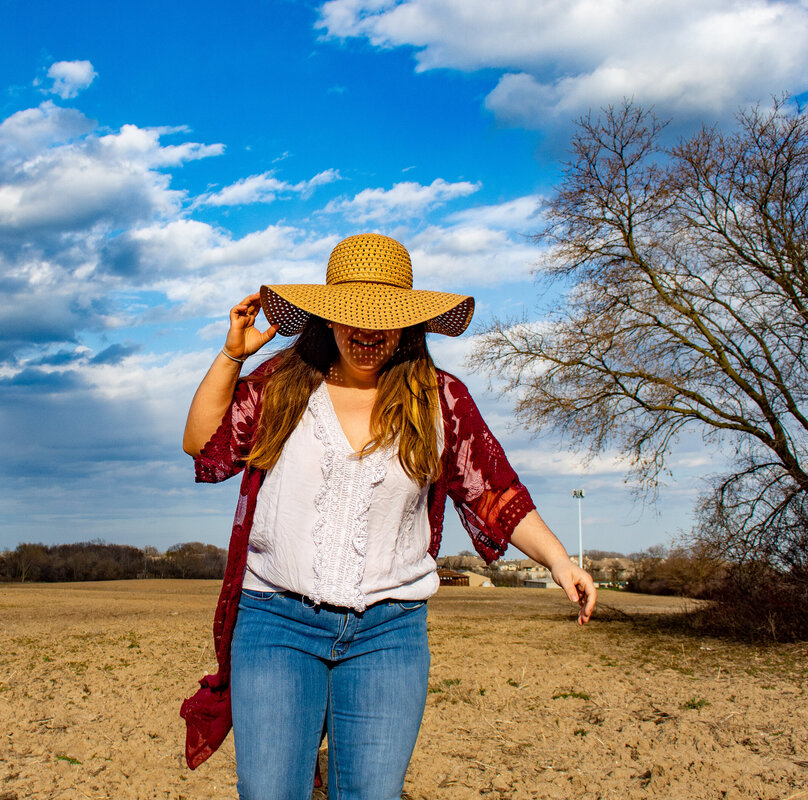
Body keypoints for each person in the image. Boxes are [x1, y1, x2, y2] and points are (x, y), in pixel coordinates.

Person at [178, 233, 596, 800]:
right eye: (352, 316)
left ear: (408, 324)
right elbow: (202, 443)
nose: (368, 332)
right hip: (277, 623)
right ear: (327, 318)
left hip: (388, 634)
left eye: (384, 318)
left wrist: (559, 562)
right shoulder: (283, 385)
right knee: (269, 791)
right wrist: (234, 354)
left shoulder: (438, 398)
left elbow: (494, 492)